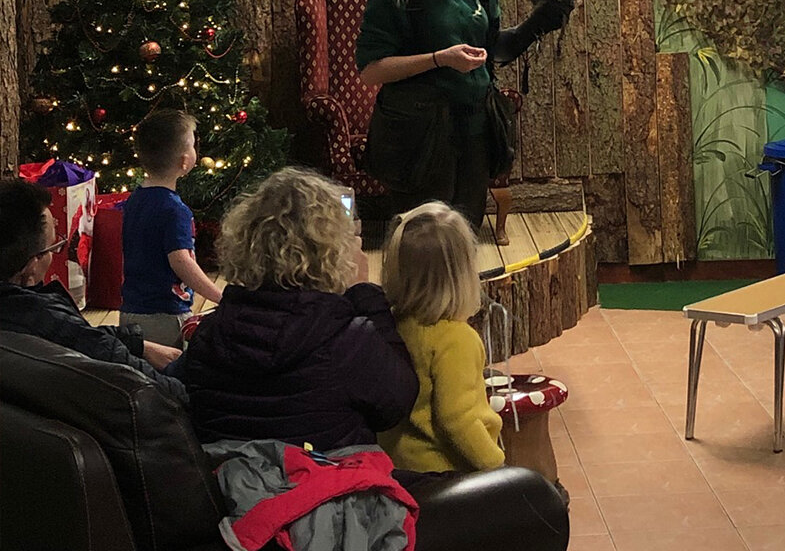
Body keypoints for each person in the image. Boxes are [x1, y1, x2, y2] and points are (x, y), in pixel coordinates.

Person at [356, 0, 569, 227]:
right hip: (419, 138)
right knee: (423, 238)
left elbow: (493, 52)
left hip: (474, 132)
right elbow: (371, 71)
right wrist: (439, 59)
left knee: (465, 234)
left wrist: (536, 24)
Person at [174, 166, 419, 451]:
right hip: (327, 477)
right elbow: (397, 404)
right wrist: (363, 291)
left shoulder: (209, 335)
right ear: (332, 251)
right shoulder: (347, 340)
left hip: (231, 479)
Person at [0, 178, 185, 401]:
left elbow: (83, 335)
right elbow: (159, 389)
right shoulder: (44, 318)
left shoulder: (24, 314)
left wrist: (139, 345)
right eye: (54, 247)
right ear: (31, 265)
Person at [379, 201, 505, 474]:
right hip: (447, 473)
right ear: (463, 274)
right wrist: (498, 467)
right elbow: (457, 419)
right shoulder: (457, 340)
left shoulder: (393, 324)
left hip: (399, 466)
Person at [121, 109, 223, 348]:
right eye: (193, 145)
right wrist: (220, 296)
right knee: (172, 367)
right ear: (185, 161)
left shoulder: (135, 199)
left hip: (130, 311)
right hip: (166, 315)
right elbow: (181, 261)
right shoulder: (175, 210)